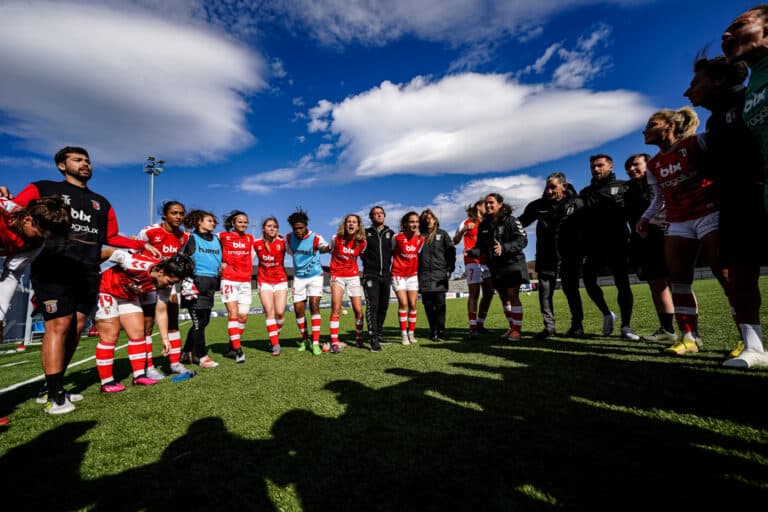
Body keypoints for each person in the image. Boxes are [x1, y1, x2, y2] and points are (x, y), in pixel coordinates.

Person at [8, 146, 161, 414]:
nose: (85, 164)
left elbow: (111, 236)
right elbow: (15, 213)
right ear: (61, 166)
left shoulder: (101, 202)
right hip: (53, 266)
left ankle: (52, 385)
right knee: (59, 324)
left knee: (77, 326)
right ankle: (54, 395)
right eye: (77, 160)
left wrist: (140, 245)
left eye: (87, 160)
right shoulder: (42, 187)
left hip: (88, 270)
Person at [685, 52, 767, 368]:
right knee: (741, 271)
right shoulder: (715, 120)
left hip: (760, 191)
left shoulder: (752, 100)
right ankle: (754, 346)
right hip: (735, 201)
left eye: (696, 83)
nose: (688, 91)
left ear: (719, 80)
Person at [639, 107, 729, 355]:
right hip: (678, 221)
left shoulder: (696, 143)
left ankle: (749, 338)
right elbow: (659, 198)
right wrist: (645, 218)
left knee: (725, 274)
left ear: (669, 126)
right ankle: (689, 338)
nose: (645, 130)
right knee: (678, 279)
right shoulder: (653, 164)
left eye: (652, 124)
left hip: (710, 213)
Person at [559, 155, 637, 340]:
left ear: (610, 166)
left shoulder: (624, 186)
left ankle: (626, 327)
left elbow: (633, 211)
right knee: (589, 281)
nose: (596, 169)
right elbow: (577, 213)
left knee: (622, 283)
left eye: (600, 165)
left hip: (617, 242)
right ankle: (607, 313)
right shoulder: (586, 192)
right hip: (593, 245)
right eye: (593, 167)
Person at [94, 249, 195, 392]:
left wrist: (165, 339)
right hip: (105, 289)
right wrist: (89, 269)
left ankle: (139, 376)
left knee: (138, 333)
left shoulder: (166, 284)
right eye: (169, 282)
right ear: (161, 272)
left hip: (128, 296)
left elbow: (161, 311)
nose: (169, 286)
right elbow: (110, 252)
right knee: (111, 334)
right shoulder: (135, 263)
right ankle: (107, 382)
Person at [623, 154, 677, 343]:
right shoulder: (627, 191)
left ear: (649, 164)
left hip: (664, 236)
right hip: (641, 242)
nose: (631, 169)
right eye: (628, 167)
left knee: (677, 283)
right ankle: (667, 329)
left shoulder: (661, 183)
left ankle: (690, 331)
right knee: (656, 284)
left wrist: (653, 225)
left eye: (635, 164)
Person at [135, 200, 192, 377]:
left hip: (168, 283)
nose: (179, 216)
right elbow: (134, 249)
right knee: (148, 323)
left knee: (173, 321)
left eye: (181, 213)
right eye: (174, 213)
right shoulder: (149, 231)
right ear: (165, 215)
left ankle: (175, 363)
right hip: (149, 281)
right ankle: (148, 366)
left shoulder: (184, 236)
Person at [1, 196, 70, 337]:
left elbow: (11, 274)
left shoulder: (36, 244)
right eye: (40, 234)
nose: (42, 239)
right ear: (27, 220)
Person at [518, 173, 575, 339]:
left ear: (564, 186)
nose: (549, 191)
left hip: (568, 254)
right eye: (547, 187)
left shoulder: (575, 203)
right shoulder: (538, 205)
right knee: (544, 292)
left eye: (553, 187)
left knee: (571, 291)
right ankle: (549, 327)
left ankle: (577, 326)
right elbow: (520, 223)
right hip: (545, 255)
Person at [469, 193, 528, 340]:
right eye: (486, 203)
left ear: (500, 204)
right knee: (504, 297)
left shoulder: (511, 220)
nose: (488, 205)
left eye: (491, 203)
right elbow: (480, 247)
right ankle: (512, 327)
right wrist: (471, 252)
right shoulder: (484, 225)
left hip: (513, 264)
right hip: (495, 267)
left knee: (513, 294)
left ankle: (517, 331)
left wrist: (505, 247)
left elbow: (522, 240)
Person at [180, 210, 222, 368]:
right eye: (209, 220)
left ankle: (186, 351)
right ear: (199, 222)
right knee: (198, 323)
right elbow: (182, 260)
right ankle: (202, 357)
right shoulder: (191, 238)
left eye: (213, 221)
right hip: (195, 284)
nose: (213, 223)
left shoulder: (217, 239)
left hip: (211, 283)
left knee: (204, 321)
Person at [286, 208, 329, 355]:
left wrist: (329, 247)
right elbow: (286, 251)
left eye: (301, 228)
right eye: (295, 228)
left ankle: (315, 343)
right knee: (298, 309)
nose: (298, 231)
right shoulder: (288, 238)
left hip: (315, 276)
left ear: (306, 226)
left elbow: (324, 248)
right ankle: (305, 340)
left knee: (314, 305)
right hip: (299, 277)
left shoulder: (316, 237)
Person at [219, 210, 256, 364]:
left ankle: (231, 347)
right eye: (240, 222)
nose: (243, 224)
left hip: (245, 281)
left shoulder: (250, 238)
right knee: (233, 314)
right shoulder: (222, 236)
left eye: (245, 222)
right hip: (229, 280)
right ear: (233, 223)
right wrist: (219, 262)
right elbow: (207, 242)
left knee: (243, 317)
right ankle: (238, 350)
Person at [453, 200, 494, 339]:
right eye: (485, 205)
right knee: (474, 294)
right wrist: (464, 230)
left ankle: (480, 324)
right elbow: (455, 241)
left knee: (489, 293)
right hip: (472, 262)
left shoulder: (489, 222)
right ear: (478, 207)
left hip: (487, 262)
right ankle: (472, 328)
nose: (487, 207)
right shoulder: (466, 222)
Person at [327, 214, 367, 353]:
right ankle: (334, 342)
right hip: (337, 276)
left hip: (353, 277)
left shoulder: (362, 242)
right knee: (336, 308)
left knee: (358, 310)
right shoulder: (336, 239)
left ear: (358, 226)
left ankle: (358, 338)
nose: (351, 224)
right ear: (344, 225)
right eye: (348, 222)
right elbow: (327, 250)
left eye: (354, 222)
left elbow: (364, 258)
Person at [361, 206, 395, 351]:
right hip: (371, 275)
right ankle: (373, 338)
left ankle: (379, 333)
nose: (378, 215)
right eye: (375, 214)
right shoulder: (365, 233)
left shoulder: (391, 234)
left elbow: (396, 252)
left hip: (386, 275)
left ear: (384, 216)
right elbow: (359, 251)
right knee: (372, 306)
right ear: (371, 217)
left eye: (380, 213)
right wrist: (367, 263)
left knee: (383, 306)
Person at [418, 209, 455, 341]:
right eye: (425, 218)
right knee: (428, 306)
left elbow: (451, 252)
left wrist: (449, 269)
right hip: (424, 276)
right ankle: (432, 330)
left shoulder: (442, 234)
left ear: (435, 219)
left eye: (430, 218)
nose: (428, 220)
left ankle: (441, 331)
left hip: (440, 275)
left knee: (440, 306)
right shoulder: (419, 236)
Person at [253, 216, 288, 356]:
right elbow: (246, 258)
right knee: (270, 312)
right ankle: (275, 344)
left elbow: (295, 249)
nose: (272, 228)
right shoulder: (256, 243)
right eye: (269, 226)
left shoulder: (283, 243)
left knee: (280, 313)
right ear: (263, 228)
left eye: (275, 226)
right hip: (264, 281)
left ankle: (274, 335)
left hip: (280, 280)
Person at [391, 211, 424, 345]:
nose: (414, 224)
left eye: (417, 222)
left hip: (412, 275)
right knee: (403, 304)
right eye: (411, 222)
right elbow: (390, 252)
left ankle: (411, 333)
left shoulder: (420, 239)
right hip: (398, 274)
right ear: (405, 223)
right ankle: (404, 334)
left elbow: (418, 255)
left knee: (413, 305)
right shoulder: (397, 238)